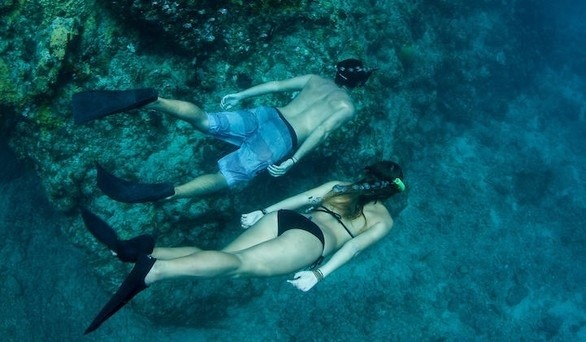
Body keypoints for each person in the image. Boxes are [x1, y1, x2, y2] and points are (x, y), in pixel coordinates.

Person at [81, 160, 405, 334]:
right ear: (391, 193)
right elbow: (353, 249)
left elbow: (305, 198)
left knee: (224, 258)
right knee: (234, 267)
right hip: (310, 243)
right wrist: (319, 274)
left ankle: (140, 252)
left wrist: (264, 211)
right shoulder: (383, 219)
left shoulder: (341, 185)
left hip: (286, 218)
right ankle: (155, 271)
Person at [73, 59, 377, 203]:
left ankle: (155, 101)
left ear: (338, 70)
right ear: (359, 85)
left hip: (266, 113)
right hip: (283, 139)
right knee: (227, 176)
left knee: (205, 120)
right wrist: (292, 162)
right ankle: (170, 193)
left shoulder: (314, 78)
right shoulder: (346, 107)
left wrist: (241, 95)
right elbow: (322, 132)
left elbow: (275, 86)